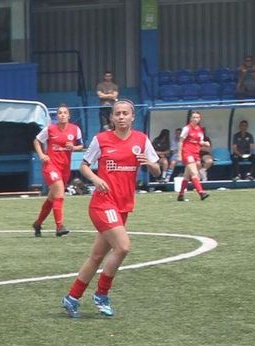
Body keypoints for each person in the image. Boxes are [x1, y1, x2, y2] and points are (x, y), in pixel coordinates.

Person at [60, 99, 160, 318]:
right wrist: (96, 179)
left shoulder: (141, 140)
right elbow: (84, 165)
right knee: (123, 247)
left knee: (96, 257)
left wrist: (150, 164)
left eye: (125, 113)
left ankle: (72, 297)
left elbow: (157, 171)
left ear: (133, 117)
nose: (122, 117)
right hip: (103, 204)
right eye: (118, 114)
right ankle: (102, 294)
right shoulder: (101, 139)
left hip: (123, 206)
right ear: (112, 117)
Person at [33, 104, 82, 236]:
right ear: (57, 116)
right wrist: (42, 155)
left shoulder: (75, 129)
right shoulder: (50, 129)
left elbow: (81, 145)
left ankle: (37, 224)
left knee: (52, 197)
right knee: (59, 193)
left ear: (69, 116)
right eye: (60, 113)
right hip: (51, 166)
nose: (62, 115)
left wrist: (74, 147)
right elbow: (37, 141)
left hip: (65, 168)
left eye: (65, 113)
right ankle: (59, 226)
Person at [176, 110, 209, 201]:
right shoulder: (187, 128)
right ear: (191, 118)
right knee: (194, 173)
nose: (195, 119)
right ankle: (201, 192)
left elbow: (200, 141)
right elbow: (181, 141)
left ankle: (181, 195)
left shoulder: (200, 130)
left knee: (187, 175)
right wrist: (179, 154)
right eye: (194, 117)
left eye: (197, 117)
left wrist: (205, 143)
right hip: (187, 152)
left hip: (195, 153)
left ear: (199, 119)